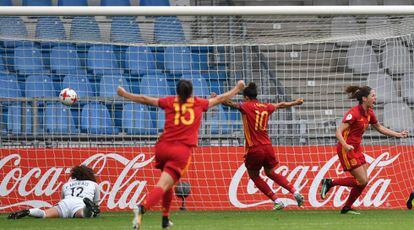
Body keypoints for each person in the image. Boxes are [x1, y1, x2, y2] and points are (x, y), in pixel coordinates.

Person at [117, 79, 245, 230]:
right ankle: (142, 208)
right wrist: (237, 88)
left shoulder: (170, 101)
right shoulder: (199, 103)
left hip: (162, 147)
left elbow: (145, 99)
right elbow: (220, 98)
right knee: (163, 184)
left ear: (177, 92)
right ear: (191, 92)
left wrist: (125, 94)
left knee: (167, 184)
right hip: (181, 151)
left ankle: (165, 219)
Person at [320, 86, 408, 214]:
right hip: (346, 149)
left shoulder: (369, 113)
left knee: (363, 182)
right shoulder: (354, 113)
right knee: (362, 180)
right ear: (364, 98)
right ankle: (330, 183)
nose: (375, 98)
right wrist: (345, 145)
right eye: (373, 95)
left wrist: (398, 134)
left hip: (356, 149)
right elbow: (338, 132)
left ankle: (347, 207)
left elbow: (379, 127)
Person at [220, 82, 305, 210]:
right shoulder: (265, 106)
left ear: (247, 97)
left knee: (254, 176)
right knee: (270, 172)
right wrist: (295, 102)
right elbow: (281, 104)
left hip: (255, 148)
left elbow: (230, 104)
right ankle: (295, 192)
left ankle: (277, 201)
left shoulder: (246, 106)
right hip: (268, 146)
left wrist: (217, 98)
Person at [8, 165, 100, 219]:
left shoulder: (67, 184)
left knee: (44, 214)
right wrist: (94, 210)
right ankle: (87, 208)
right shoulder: (93, 184)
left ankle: (29, 211)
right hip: (80, 202)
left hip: (65, 203)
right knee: (85, 214)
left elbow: (63, 199)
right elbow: (96, 204)